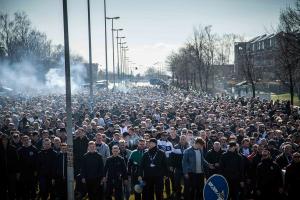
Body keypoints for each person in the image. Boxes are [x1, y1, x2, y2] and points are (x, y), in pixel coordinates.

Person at [17, 135, 39, 200]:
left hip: (32, 173)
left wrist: (36, 171)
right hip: (23, 173)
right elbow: (18, 163)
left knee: (32, 188)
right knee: (24, 188)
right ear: (22, 141)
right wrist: (18, 172)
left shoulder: (34, 149)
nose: (26, 141)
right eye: (24, 140)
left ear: (29, 140)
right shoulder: (19, 150)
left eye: (27, 139)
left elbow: (36, 161)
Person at [0, 134, 20, 200]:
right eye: (3, 140)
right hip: (2, 173)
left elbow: (17, 161)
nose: (4, 141)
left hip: (11, 173)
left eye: (5, 139)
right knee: (3, 190)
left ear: (8, 140)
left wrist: (17, 172)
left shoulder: (13, 148)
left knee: (12, 190)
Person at [169, 134, 189, 200]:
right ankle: (178, 194)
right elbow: (172, 157)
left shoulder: (189, 148)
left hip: (186, 169)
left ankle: (185, 195)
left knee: (187, 183)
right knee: (176, 182)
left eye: (184, 139)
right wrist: (172, 165)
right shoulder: (175, 147)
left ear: (186, 140)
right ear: (179, 140)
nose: (182, 140)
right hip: (178, 168)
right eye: (181, 139)